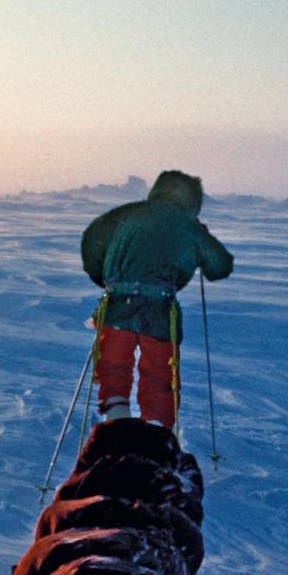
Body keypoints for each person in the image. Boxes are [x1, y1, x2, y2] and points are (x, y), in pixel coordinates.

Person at [81, 171, 233, 428]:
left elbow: (91, 246)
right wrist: (201, 238)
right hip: (160, 310)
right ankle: (156, 433)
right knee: (159, 374)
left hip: (116, 306)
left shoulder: (122, 215)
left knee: (114, 365)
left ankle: (114, 423)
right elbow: (220, 266)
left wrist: (108, 280)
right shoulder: (188, 225)